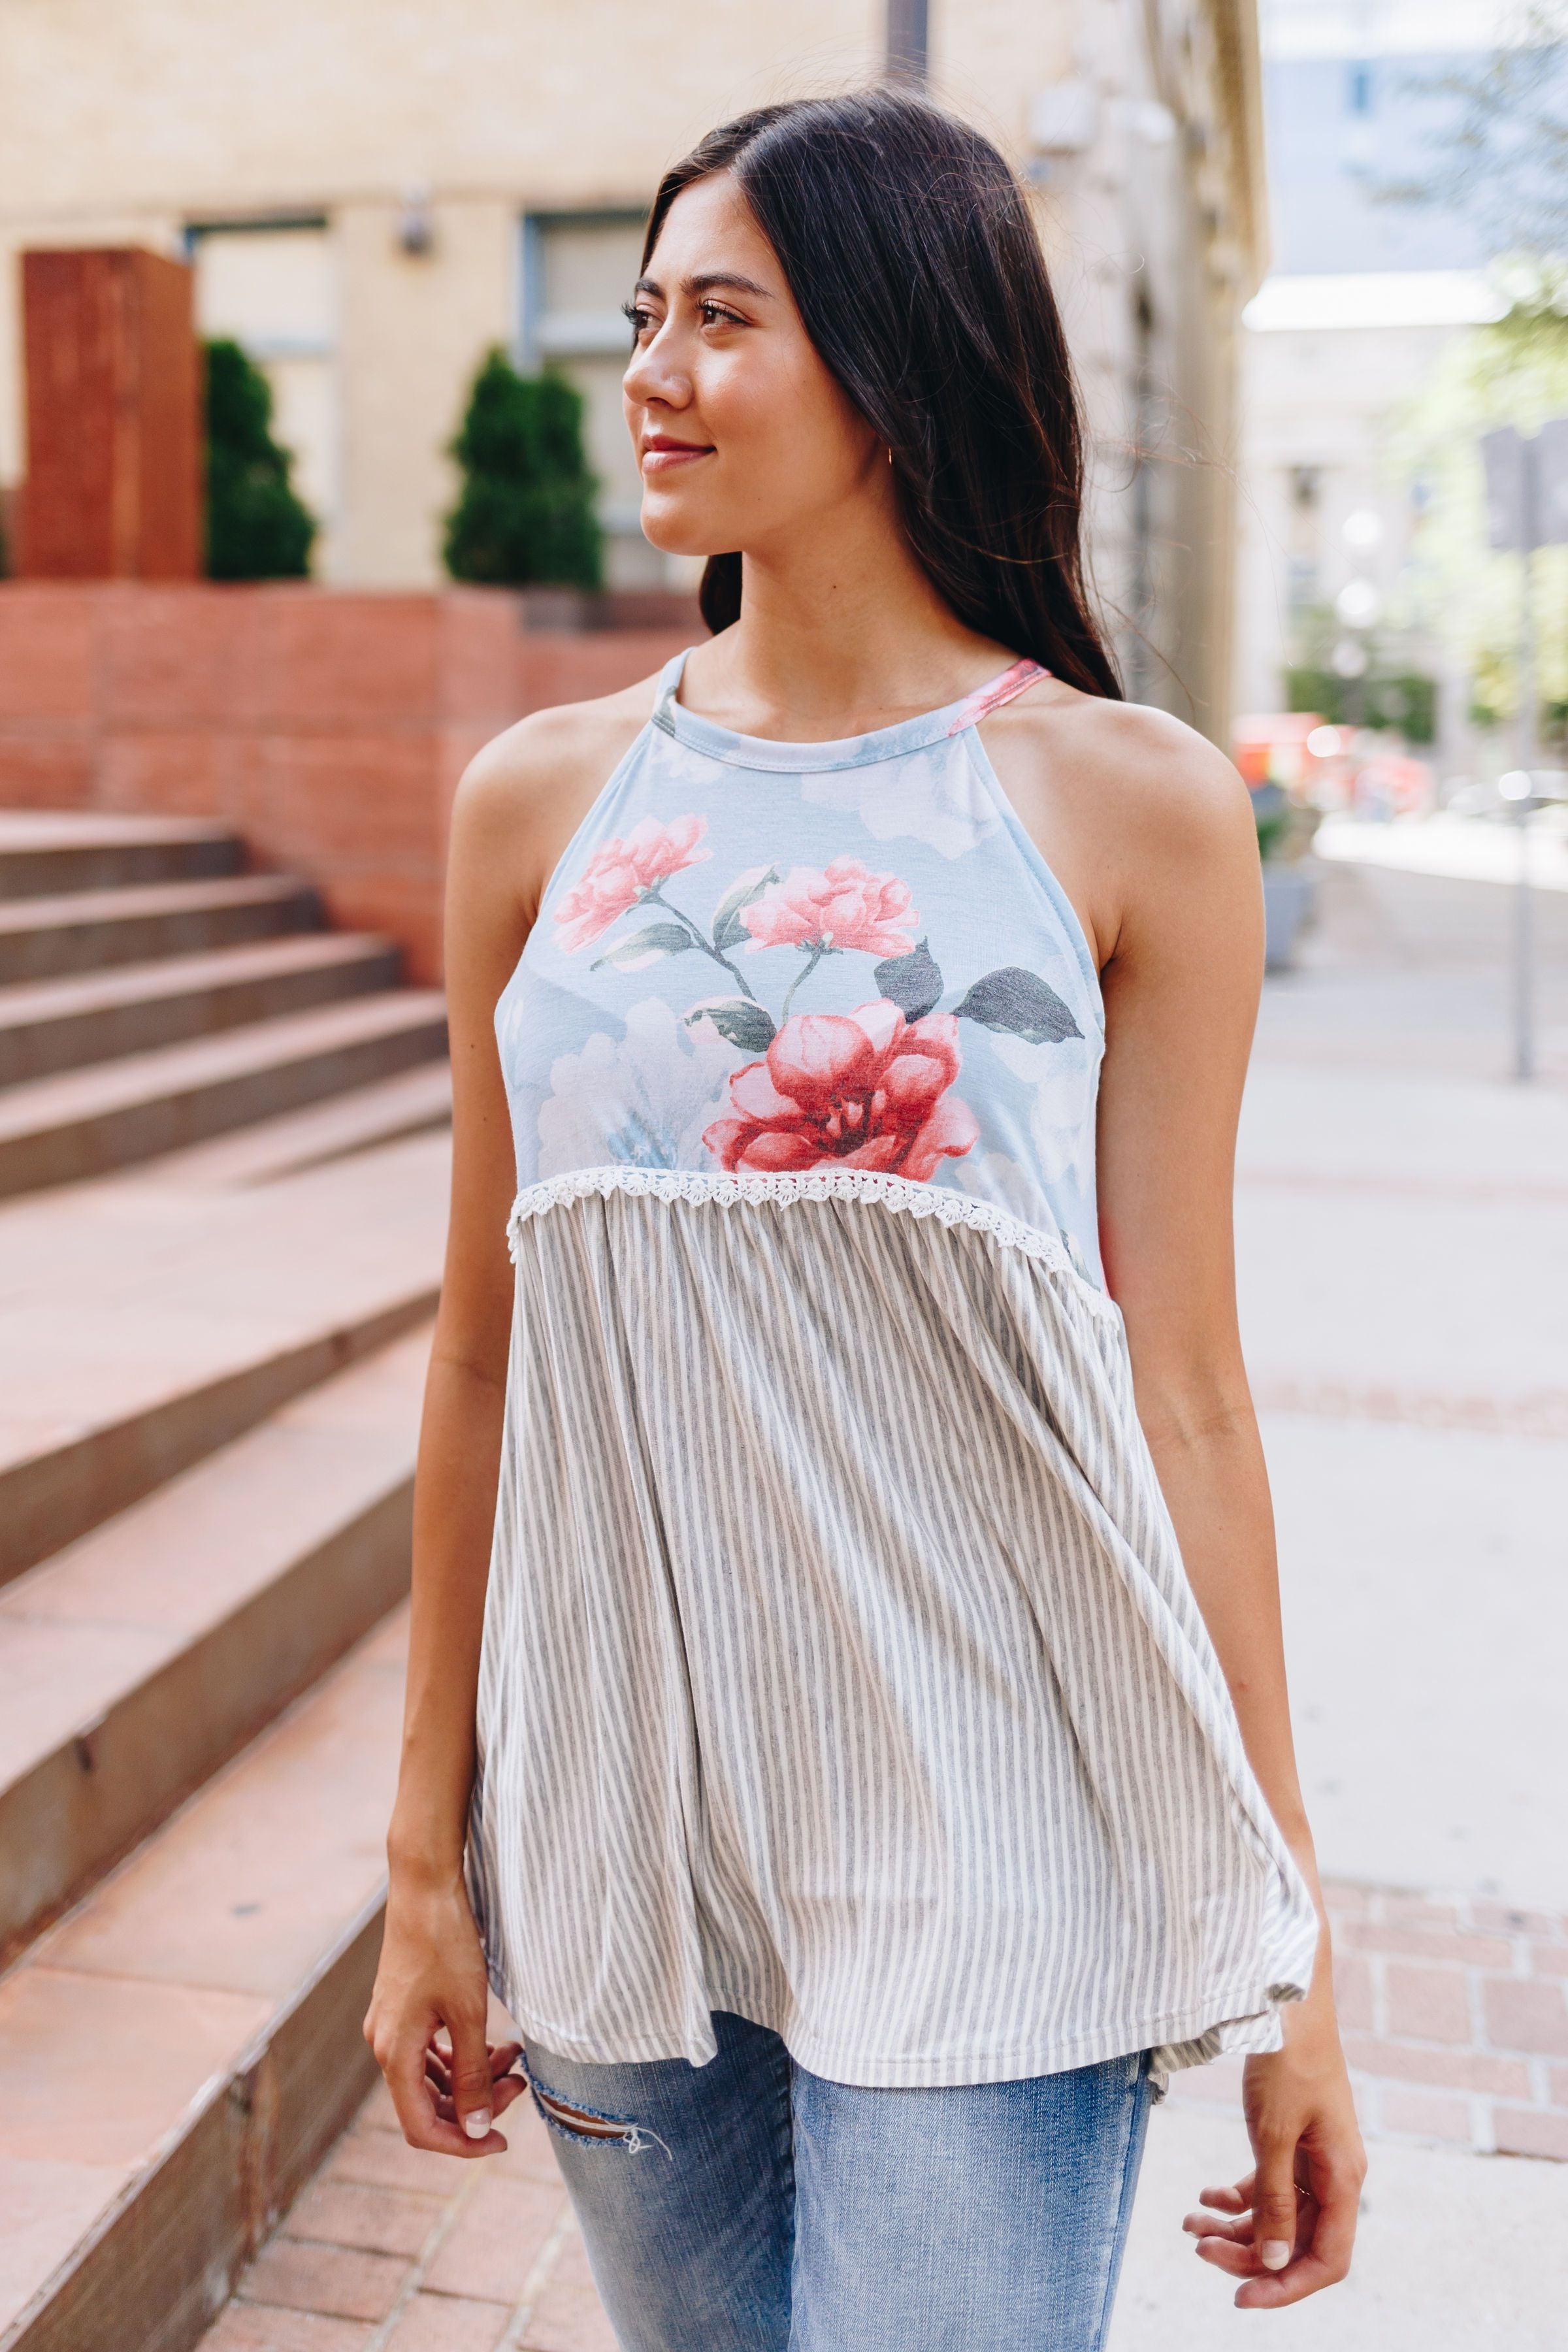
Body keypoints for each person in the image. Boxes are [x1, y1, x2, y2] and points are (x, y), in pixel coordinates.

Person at [365, 87, 1365, 2351]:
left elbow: (1188, 1401)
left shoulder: (1131, 808)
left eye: (723, 317)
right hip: (625, 1830)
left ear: (899, 363)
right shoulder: (539, 806)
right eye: (644, 314)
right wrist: (427, 1865)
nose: (648, 371)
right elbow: (482, 1354)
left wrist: (1289, 1955)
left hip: (1004, 1833)